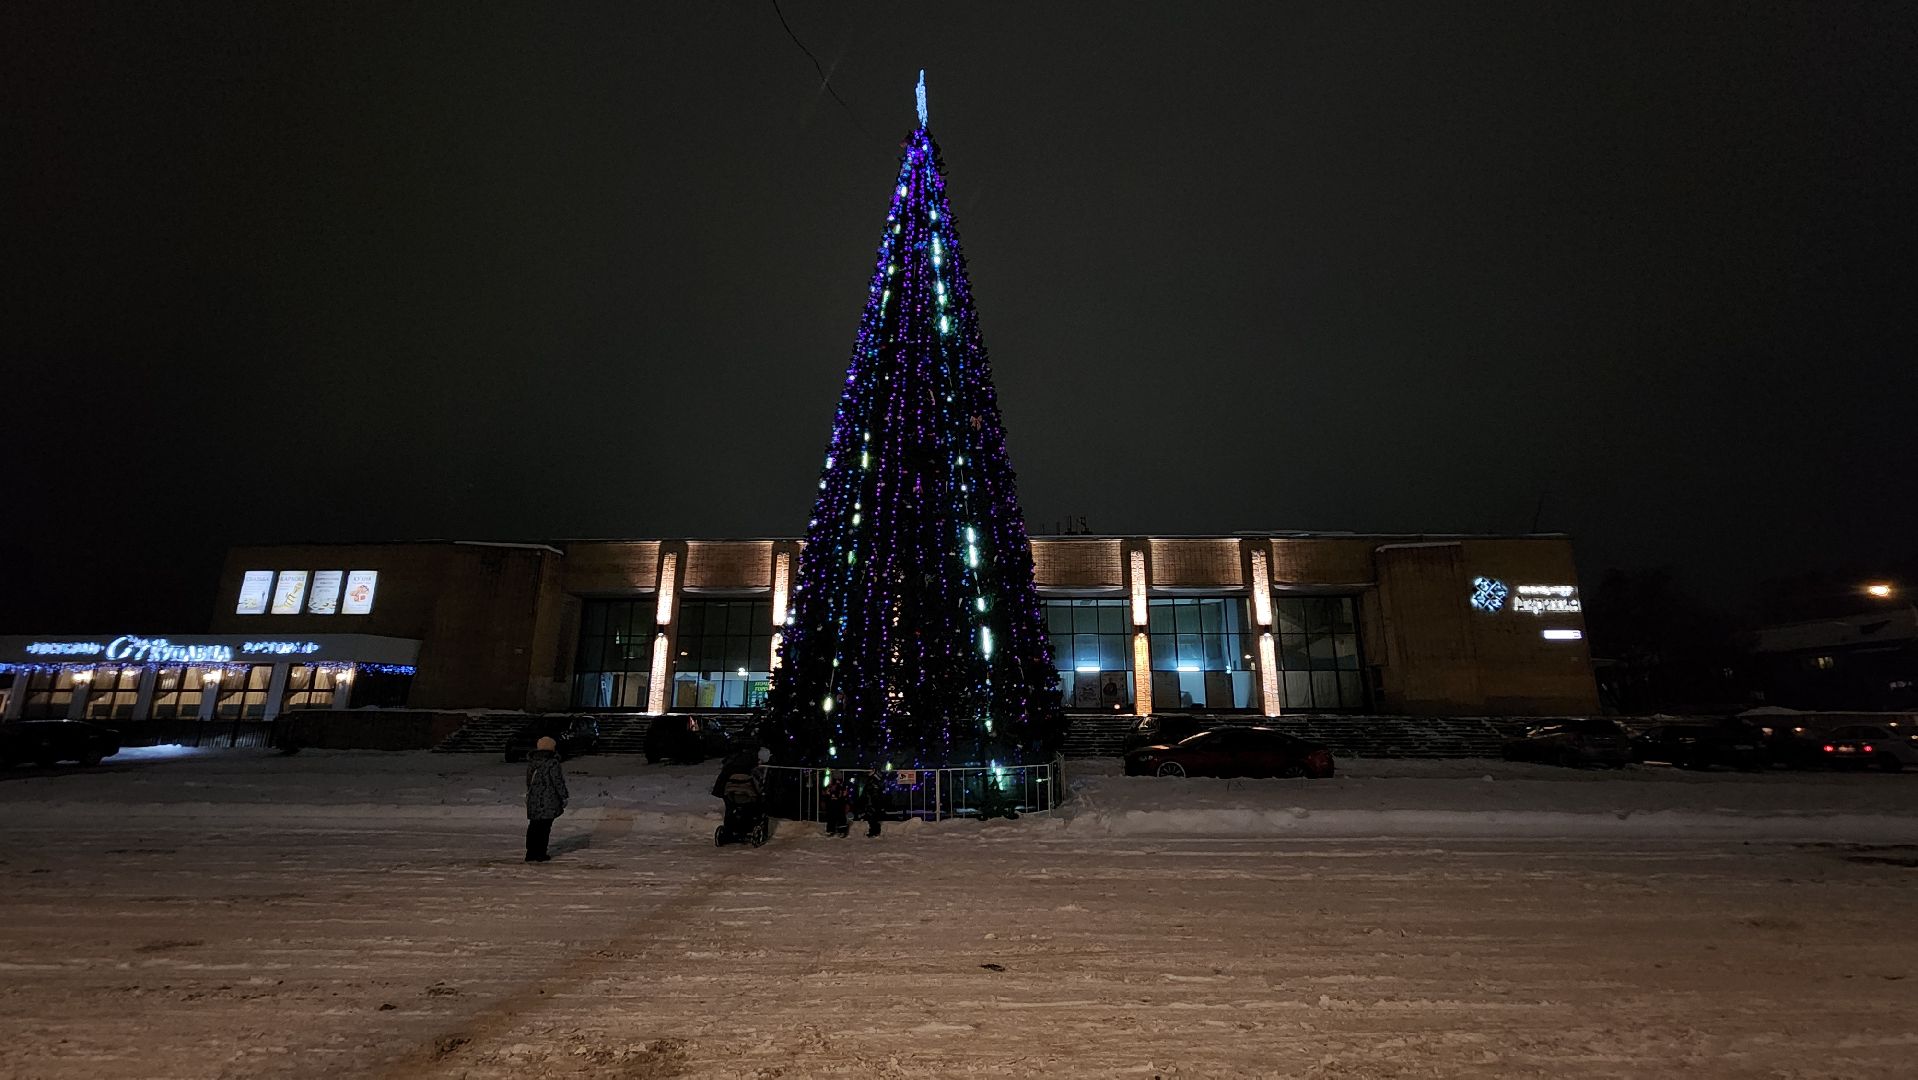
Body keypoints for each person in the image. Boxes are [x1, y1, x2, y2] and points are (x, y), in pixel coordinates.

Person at [525, 736, 569, 862]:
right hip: (548, 799)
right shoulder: (552, 762)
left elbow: (529, 782)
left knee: (534, 826)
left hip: (534, 799)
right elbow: (557, 781)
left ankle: (531, 852)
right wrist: (564, 796)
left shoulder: (533, 762)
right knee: (544, 827)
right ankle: (540, 853)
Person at [860, 770, 886, 838]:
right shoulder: (871, 783)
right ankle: (874, 831)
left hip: (874, 802)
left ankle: (875, 832)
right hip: (872, 802)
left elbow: (876, 794)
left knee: (873, 817)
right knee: (871, 817)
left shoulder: (874, 783)